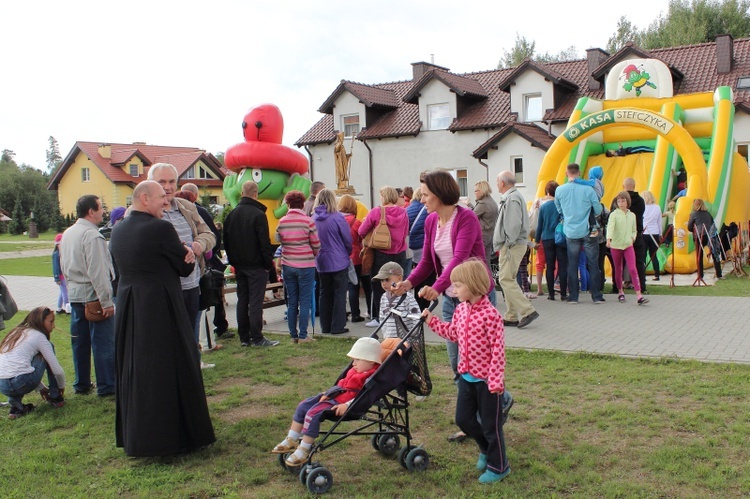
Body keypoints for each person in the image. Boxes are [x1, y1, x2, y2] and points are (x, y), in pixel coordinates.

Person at [109, 181, 215, 456]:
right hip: (160, 305)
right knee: (170, 366)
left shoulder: (117, 230)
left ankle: (138, 438)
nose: (165, 203)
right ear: (144, 199)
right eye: (160, 198)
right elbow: (183, 266)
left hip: (130, 306)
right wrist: (186, 251)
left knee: (137, 369)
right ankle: (174, 437)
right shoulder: (160, 229)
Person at [423, 259, 510, 484]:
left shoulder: (491, 316)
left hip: (487, 382)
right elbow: (454, 334)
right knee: (464, 419)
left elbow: (498, 352)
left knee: (492, 427)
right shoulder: (461, 310)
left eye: (458, 285)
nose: (454, 290)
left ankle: (500, 466)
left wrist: (495, 380)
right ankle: (484, 448)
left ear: (472, 285)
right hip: (466, 377)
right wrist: (432, 322)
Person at [272, 336, 382, 466]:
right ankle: (291, 439)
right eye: (353, 360)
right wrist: (329, 392)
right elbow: (342, 383)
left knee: (313, 414)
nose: (353, 363)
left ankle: (304, 448)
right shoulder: (357, 369)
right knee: (303, 406)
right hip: (334, 396)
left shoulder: (371, 376)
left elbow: (363, 396)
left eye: (357, 359)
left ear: (370, 361)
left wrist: (347, 405)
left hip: (342, 404)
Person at [148, 164, 216, 355]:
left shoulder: (187, 207)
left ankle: (192, 372)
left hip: (191, 286)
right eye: (162, 182)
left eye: (171, 182)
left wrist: (198, 245)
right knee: (167, 341)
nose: (167, 187)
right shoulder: (145, 212)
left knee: (190, 338)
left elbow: (209, 235)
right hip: (163, 289)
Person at [60, 194, 116, 397]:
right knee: (103, 342)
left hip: (75, 294)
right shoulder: (92, 235)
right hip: (92, 296)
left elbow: (63, 265)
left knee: (80, 341)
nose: (103, 212)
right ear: (91, 211)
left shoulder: (68, 233)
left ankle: (82, 384)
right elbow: (98, 271)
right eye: (101, 208)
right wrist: (106, 301)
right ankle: (107, 385)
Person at [223, 181, 279, 347]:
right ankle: (257, 337)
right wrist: (267, 263)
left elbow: (226, 241)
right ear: (256, 194)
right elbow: (264, 242)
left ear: (242, 193)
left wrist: (232, 261)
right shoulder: (258, 214)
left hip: (239, 264)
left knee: (243, 300)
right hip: (256, 265)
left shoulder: (231, 215)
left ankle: (244, 337)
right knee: (255, 301)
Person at [181, 182, 230, 339]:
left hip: (195, 265)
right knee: (208, 301)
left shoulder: (195, 212)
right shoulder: (200, 211)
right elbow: (214, 236)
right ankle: (216, 329)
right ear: (195, 196)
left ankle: (207, 338)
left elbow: (210, 236)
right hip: (200, 265)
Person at [0, 307, 65, 419]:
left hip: (2, 385)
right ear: (40, 321)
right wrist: (61, 386)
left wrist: (41, 388)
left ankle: (16, 408)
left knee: (16, 367)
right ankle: (55, 397)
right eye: (51, 321)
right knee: (49, 348)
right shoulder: (39, 336)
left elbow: (18, 367)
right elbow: (57, 370)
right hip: (21, 381)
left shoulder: (16, 332)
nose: (53, 325)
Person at [358, 186, 409, 327]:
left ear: (384, 197)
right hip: (400, 252)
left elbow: (362, 231)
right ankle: (398, 314)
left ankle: (380, 317)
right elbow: (406, 232)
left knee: (379, 285)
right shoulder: (404, 212)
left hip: (381, 252)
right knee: (397, 284)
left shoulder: (376, 212)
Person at [493, 171, 538, 328]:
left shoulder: (511, 199)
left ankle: (527, 310)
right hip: (515, 244)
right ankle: (511, 316)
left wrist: (508, 243)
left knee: (505, 279)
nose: (496, 183)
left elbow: (513, 225)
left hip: (512, 245)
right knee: (509, 279)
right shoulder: (514, 197)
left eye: (498, 181)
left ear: (503, 183)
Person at [554, 163, 604, 305]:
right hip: (588, 230)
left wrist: (565, 216)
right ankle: (596, 296)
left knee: (572, 264)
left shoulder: (560, 190)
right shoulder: (588, 190)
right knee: (593, 263)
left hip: (570, 231)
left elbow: (558, 208)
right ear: (580, 173)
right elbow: (598, 209)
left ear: (566, 173)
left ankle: (574, 296)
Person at [276, 190, 320, 343]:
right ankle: (303, 335)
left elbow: (279, 241)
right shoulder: (308, 221)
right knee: (305, 300)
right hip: (306, 264)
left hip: (288, 264)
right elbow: (316, 244)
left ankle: (293, 335)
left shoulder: (282, 222)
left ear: (288, 204)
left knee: (292, 300)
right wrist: (312, 252)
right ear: (302, 204)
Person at [313, 189, 353, 335]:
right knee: (339, 294)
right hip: (339, 260)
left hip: (321, 261)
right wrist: (347, 252)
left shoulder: (313, 218)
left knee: (324, 294)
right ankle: (338, 326)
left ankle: (325, 326)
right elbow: (347, 240)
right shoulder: (337, 217)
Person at [606, 191, 649, 305]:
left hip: (628, 245)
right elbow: (610, 227)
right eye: (619, 201)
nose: (621, 203)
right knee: (618, 269)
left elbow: (634, 230)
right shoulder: (614, 214)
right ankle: (620, 291)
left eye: (623, 201)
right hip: (616, 245)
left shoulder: (631, 215)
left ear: (627, 202)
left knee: (632, 268)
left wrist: (632, 238)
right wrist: (609, 239)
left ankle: (639, 295)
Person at [338, 194, 370, 322]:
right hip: (356, 257)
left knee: (346, 287)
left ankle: (348, 313)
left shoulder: (337, 220)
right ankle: (361, 313)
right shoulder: (356, 222)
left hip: (341, 257)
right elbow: (363, 238)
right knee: (359, 286)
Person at [536, 181, 568, 301]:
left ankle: (551, 294)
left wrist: (538, 240)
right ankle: (563, 294)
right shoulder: (561, 205)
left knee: (549, 266)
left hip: (547, 238)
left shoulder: (544, 207)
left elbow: (540, 225)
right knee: (562, 265)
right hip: (561, 238)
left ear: (548, 192)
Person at [372, 262, 420, 339]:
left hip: (406, 340)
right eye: (381, 281)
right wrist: (385, 333)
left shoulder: (408, 298)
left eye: (387, 280)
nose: (384, 283)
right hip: (389, 338)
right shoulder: (384, 297)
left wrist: (414, 336)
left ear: (399, 278)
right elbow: (381, 317)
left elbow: (416, 317)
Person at [687, 198, 724, 280]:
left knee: (699, 256)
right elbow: (713, 224)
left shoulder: (694, 214)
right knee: (715, 255)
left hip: (700, 235)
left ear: (695, 205)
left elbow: (689, 227)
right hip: (711, 235)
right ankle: (719, 274)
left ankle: (700, 276)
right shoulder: (708, 214)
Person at [622, 177, 647, 294]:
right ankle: (642, 285)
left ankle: (617, 286)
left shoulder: (619, 200)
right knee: (639, 262)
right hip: (636, 234)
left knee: (618, 262)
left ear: (623, 186)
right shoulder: (641, 201)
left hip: (622, 235)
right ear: (634, 186)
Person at [473, 180, 498, 271]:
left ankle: (483, 284)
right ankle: (490, 284)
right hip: (490, 235)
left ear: (482, 190)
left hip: (482, 236)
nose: (474, 193)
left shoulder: (483, 204)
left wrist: (466, 206)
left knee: (479, 264)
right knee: (486, 263)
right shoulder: (491, 202)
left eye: (476, 190)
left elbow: (471, 217)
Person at [642, 191, 663, 281]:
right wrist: (660, 234)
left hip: (644, 232)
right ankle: (657, 274)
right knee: (653, 255)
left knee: (642, 255)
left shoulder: (642, 208)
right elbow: (659, 222)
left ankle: (643, 275)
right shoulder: (657, 207)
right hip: (654, 232)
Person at [51, 234, 69, 314]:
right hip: (60, 277)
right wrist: (57, 278)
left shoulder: (62, 253)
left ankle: (58, 308)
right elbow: (56, 267)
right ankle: (68, 307)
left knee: (62, 292)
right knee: (65, 293)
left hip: (64, 275)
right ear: (58, 245)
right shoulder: (56, 255)